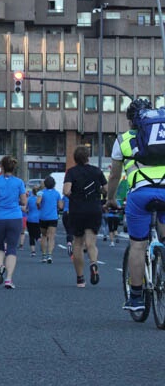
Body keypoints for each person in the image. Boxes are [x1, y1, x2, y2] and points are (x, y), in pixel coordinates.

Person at [108, 99, 165, 311]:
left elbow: (114, 176)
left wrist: (110, 199)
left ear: (131, 120)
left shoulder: (123, 140)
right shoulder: (162, 135)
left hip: (141, 194)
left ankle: (137, 297)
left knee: (138, 245)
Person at [63, 145, 107, 288]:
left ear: (75, 158)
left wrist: (75, 195)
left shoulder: (71, 172)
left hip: (77, 210)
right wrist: (98, 192)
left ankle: (80, 278)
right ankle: (93, 263)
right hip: (94, 208)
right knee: (91, 242)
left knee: (78, 243)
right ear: (88, 157)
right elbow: (106, 189)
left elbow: (66, 191)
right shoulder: (96, 171)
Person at [0, 156, 27, 289]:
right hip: (14, 216)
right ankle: (8, 279)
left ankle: (0, 266)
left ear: (1, 167)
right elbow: (24, 201)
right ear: (14, 168)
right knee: (12, 248)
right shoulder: (19, 182)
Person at [36, 176, 62, 264]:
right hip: (53, 217)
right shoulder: (57, 193)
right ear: (54, 184)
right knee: (51, 237)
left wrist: (39, 207)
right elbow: (61, 206)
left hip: (43, 217)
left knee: (43, 236)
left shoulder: (41, 192)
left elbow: (38, 202)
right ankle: (49, 255)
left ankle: (43, 256)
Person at [25, 187, 41, 257]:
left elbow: (25, 208)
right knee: (38, 235)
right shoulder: (40, 199)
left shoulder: (29, 199)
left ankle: (33, 251)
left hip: (30, 219)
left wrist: (27, 211)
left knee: (31, 235)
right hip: (39, 218)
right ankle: (42, 246)